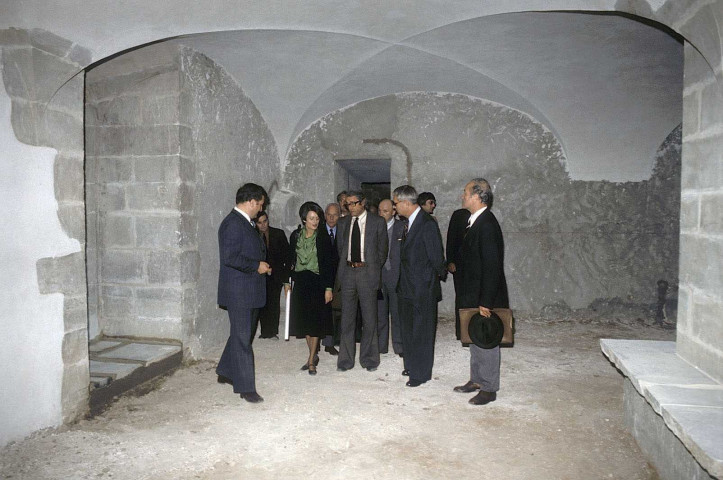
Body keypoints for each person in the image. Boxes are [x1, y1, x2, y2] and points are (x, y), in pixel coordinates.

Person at [453, 178, 509, 405]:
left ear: (477, 196)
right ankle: (477, 379)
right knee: (475, 337)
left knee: (486, 339)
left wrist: (486, 301)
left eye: (465, 192)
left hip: (484, 296)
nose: (462, 195)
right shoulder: (475, 221)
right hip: (473, 293)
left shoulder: (486, 224)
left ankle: (488, 388)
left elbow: (492, 266)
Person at [216, 183, 269, 404]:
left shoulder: (244, 222)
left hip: (248, 289)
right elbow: (231, 257)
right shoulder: (232, 224)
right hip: (239, 291)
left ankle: (226, 370)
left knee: (242, 334)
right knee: (242, 338)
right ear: (251, 202)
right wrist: (256, 265)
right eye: (260, 205)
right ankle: (246, 388)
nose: (260, 210)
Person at [392, 185, 446, 387]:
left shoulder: (426, 224)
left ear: (406, 203)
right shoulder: (408, 223)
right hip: (406, 287)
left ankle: (421, 374)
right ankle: (412, 365)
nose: (395, 208)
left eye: (396, 204)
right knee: (408, 330)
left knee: (422, 332)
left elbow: (436, 258)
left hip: (422, 289)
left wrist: (430, 281)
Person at [336, 190, 388, 372]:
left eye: (354, 203)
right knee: (347, 319)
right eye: (348, 204)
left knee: (369, 318)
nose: (350, 207)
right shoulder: (342, 223)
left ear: (363, 202)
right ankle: (345, 360)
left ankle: (370, 359)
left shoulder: (377, 222)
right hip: (348, 273)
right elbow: (340, 249)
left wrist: (371, 268)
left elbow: (382, 252)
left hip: (367, 273)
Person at [285, 202, 335, 375]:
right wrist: (286, 282)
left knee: (315, 323)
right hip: (301, 283)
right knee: (305, 323)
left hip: (317, 283)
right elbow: (289, 260)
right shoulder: (295, 236)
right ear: (304, 219)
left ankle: (311, 360)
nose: (315, 222)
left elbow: (329, 264)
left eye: (317, 218)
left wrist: (328, 287)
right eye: (311, 218)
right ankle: (312, 354)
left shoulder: (322, 237)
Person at [254, 210, 290, 340]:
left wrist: (284, 275)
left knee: (274, 302)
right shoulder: (253, 236)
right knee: (262, 303)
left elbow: (286, 255)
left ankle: (272, 331)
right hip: (259, 275)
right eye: (259, 223)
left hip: (276, 274)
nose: (263, 225)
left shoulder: (278, 234)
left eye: (265, 221)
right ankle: (265, 332)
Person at [377, 198, 404, 356]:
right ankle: (381, 346)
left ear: (394, 212)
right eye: (380, 210)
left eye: (385, 211)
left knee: (397, 313)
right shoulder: (374, 227)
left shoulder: (402, 227)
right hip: (379, 278)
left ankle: (399, 346)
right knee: (380, 313)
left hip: (396, 277)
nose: (382, 214)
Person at [446, 208, 471, 340]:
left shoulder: (482, 218)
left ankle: (471, 330)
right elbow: (451, 239)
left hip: (474, 266)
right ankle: (461, 331)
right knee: (461, 298)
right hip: (460, 266)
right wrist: (450, 260)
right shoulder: (459, 215)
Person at [321, 202, 341, 355]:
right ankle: (327, 342)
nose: (332, 217)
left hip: (340, 277)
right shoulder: (319, 231)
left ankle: (335, 340)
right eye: (329, 214)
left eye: (335, 214)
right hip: (322, 278)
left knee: (337, 311)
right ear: (325, 215)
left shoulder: (344, 231)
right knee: (325, 311)